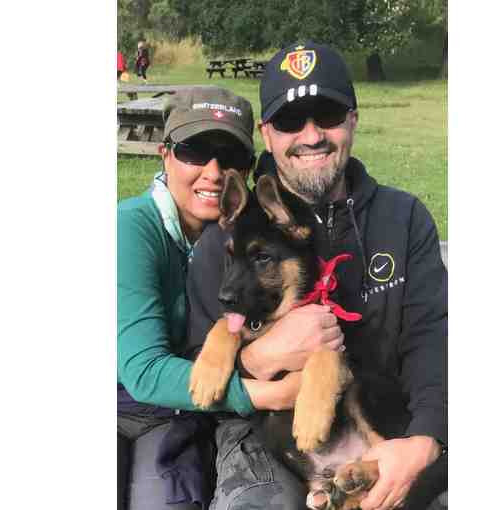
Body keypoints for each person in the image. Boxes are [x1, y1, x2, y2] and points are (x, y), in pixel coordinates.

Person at [186, 41, 448, 510]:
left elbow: (432, 338)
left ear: (353, 120)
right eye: (290, 121)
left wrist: (426, 439)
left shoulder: (403, 219)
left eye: (327, 115)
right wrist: (255, 359)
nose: (311, 136)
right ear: (267, 134)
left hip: (383, 421)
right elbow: (194, 374)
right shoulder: (227, 239)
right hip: (263, 440)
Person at [117, 85, 343, 510]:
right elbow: (143, 373)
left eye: (230, 156)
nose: (213, 171)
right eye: (194, 151)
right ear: (165, 154)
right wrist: (273, 393)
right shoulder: (131, 228)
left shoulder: (238, 234)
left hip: (185, 418)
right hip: (128, 407)